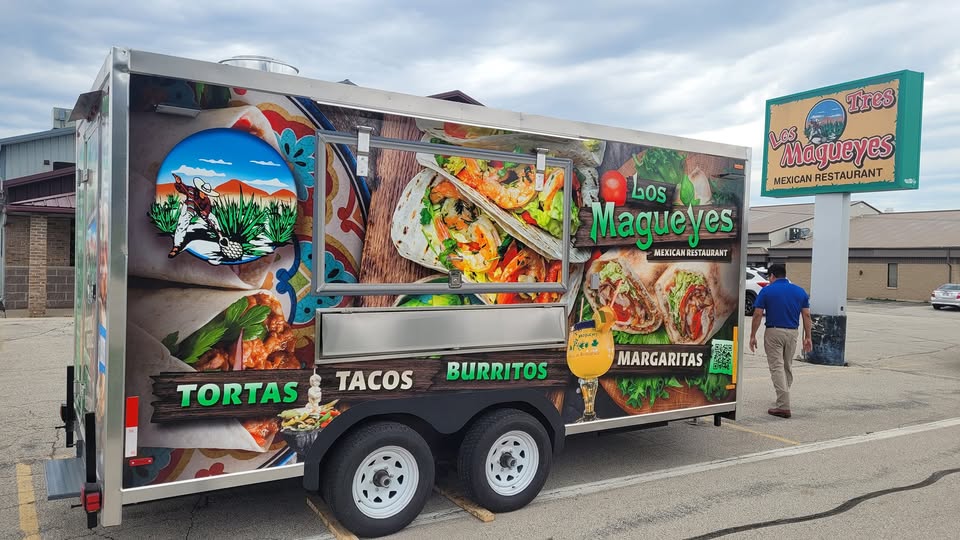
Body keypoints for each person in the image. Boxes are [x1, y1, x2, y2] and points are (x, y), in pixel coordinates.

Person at [749, 263, 812, 419]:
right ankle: (783, 396)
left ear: (772, 276)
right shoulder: (800, 291)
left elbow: (757, 314)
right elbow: (807, 316)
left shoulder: (767, 291)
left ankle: (783, 406)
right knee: (786, 366)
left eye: (769, 278)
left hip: (773, 332)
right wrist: (808, 337)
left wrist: (752, 335)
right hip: (793, 333)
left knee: (776, 367)